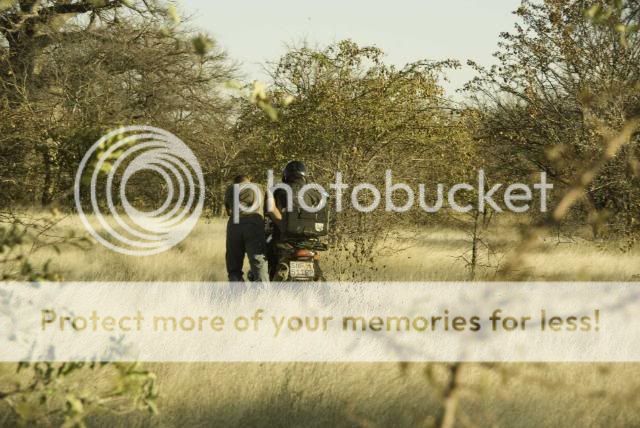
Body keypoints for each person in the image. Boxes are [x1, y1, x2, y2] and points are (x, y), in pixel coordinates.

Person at [224, 175, 270, 283]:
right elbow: (268, 209)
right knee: (259, 264)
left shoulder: (230, 188)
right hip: (254, 225)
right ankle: (264, 296)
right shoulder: (260, 187)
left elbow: (228, 212)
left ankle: (237, 295)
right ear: (249, 180)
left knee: (234, 267)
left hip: (234, 225)